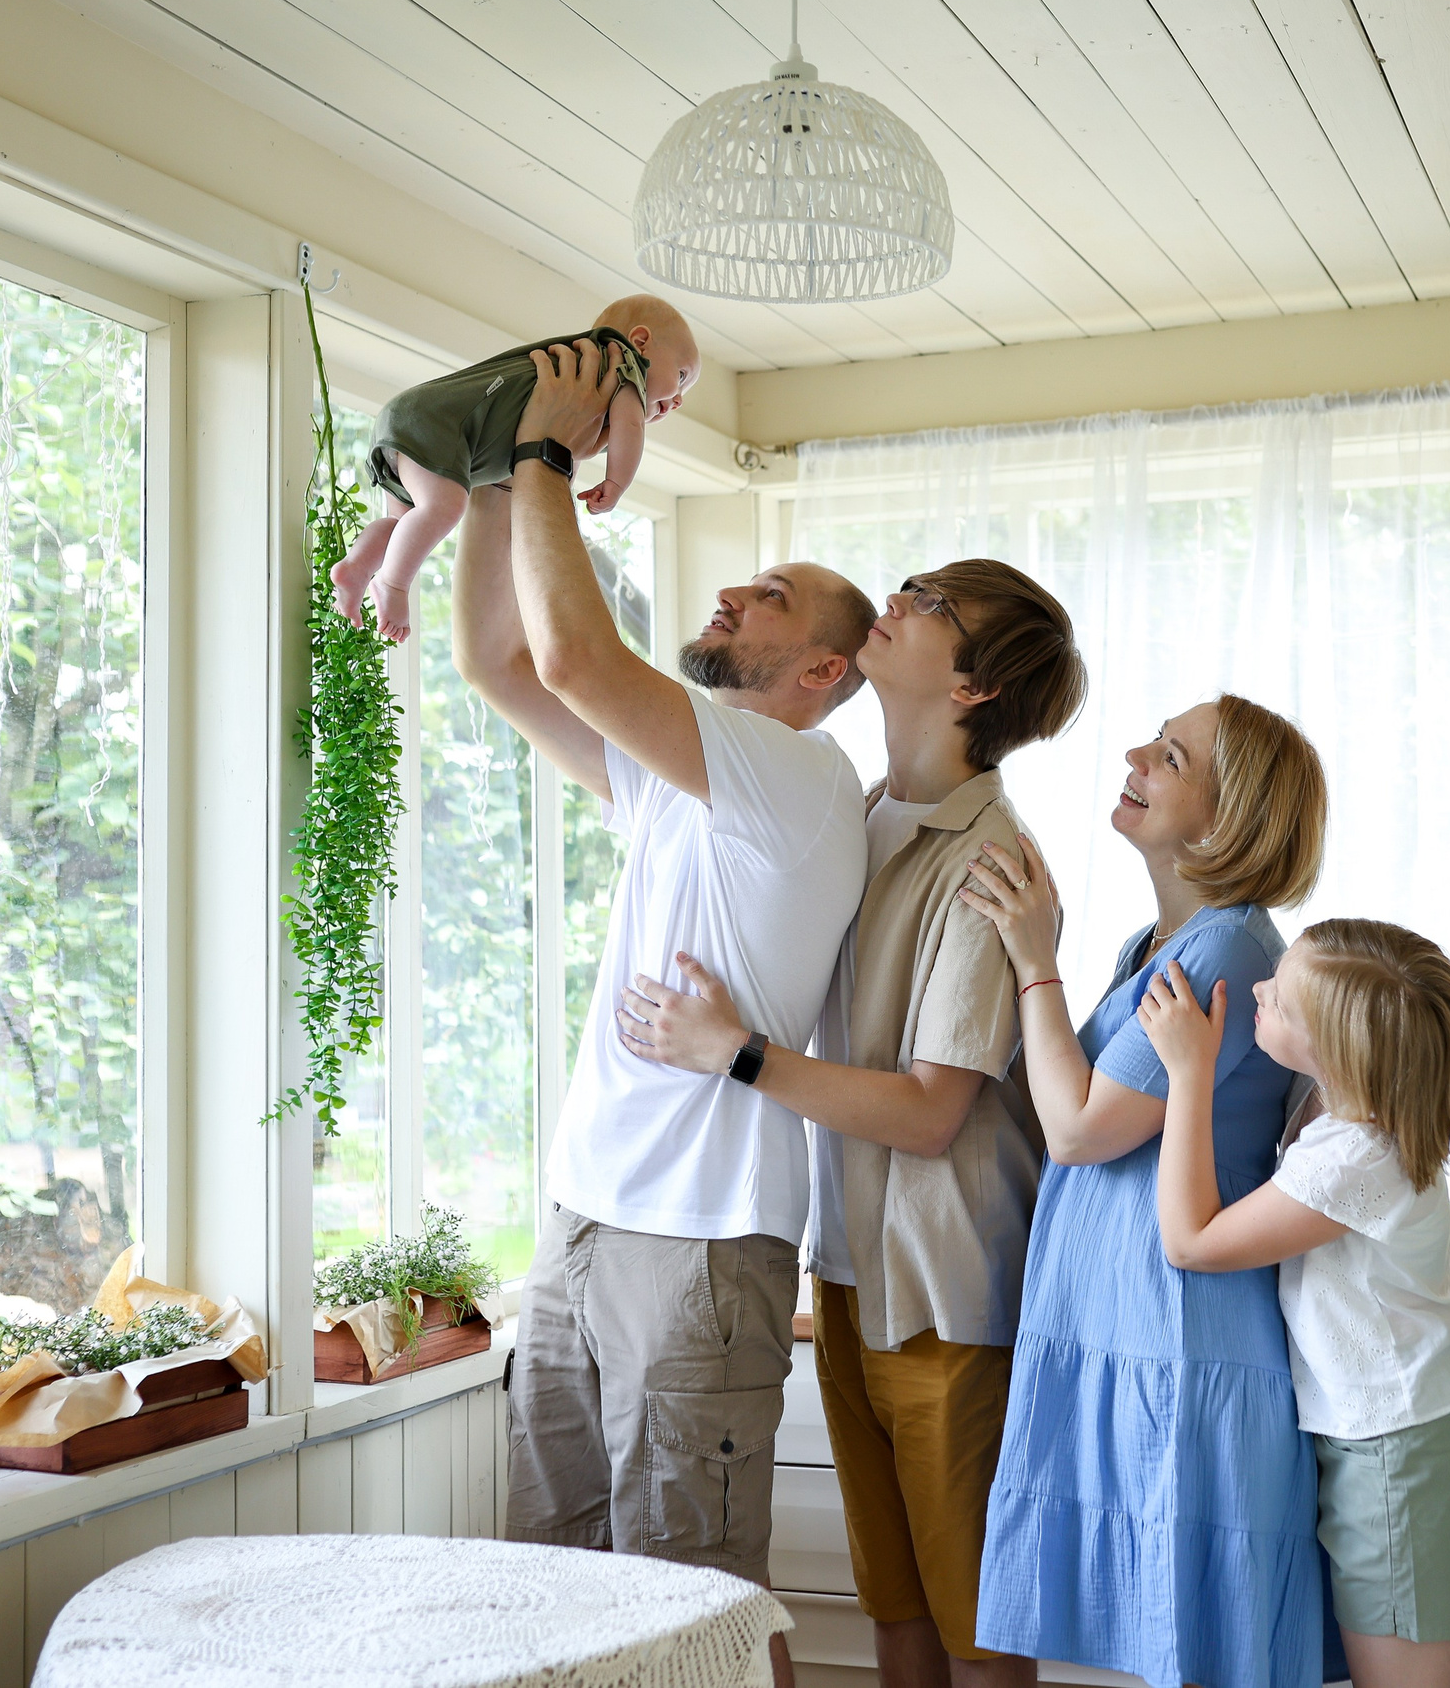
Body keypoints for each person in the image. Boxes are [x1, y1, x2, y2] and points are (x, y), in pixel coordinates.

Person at [453, 335, 870, 1688]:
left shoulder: (794, 778)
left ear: (821, 673)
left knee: (687, 1611)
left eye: (774, 598)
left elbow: (577, 655)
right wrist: (481, 485)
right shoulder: (685, 781)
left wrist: (544, 453)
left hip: (699, 1255)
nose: (737, 593)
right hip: (583, 1220)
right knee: (558, 1585)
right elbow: (504, 665)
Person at [614, 560, 1089, 1688]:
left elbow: (931, 1114)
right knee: (895, 1614)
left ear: (972, 689)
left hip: (948, 1291)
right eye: (914, 583)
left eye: (936, 608)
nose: (903, 598)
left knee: (976, 1634)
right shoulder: (857, 810)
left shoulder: (989, 860)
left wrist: (734, 1052)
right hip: (849, 1273)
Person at [956, 695, 1331, 1688]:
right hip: (1134, 1326)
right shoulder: (1155, 948)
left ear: (1226, 820)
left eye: (1169, 756)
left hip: (1183, 1337)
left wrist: (1033, 959)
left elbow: (1077, 1127)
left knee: (1197, 1639)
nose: (1133, 756)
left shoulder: (1224, 951)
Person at [1142, 923, 1450, 1688]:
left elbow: (1190, 1239)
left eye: (1282, 1000)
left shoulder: (1353, 1159)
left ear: (1340, 1055)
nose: (1260, 991)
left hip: (1400, 1449)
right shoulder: (1363, 1120)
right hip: (1408, 1433)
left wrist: (1188, 1072)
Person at [334, 294, 699, 640]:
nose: (679, 399)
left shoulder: (585, 376)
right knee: (443, 508)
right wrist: (616, 483)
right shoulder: (623, 365)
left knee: (404, 525)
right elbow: (630, 429)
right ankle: (392, 584)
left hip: (412, 424)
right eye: (681, 376)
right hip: (438, 426)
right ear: (641, 342)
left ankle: (358, 568)